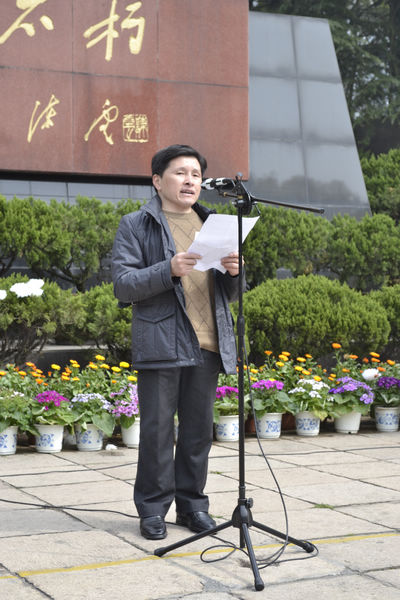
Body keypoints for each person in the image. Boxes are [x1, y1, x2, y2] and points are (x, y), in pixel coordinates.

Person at [111, 144, 243, 540]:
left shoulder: (214, 224)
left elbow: (229, 294)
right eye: (180, 173)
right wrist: (167, 269)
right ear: (157, 180)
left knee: (198, 432)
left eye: (196, 175)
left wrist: (234, 273)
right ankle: (153, 510)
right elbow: (123, 285)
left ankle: (192, 506)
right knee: (157, 432)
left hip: (208, 343)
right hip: (161, 341)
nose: (190, 181)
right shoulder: (136, 225)